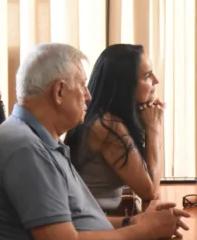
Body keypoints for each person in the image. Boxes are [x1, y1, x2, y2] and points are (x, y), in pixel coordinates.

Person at [0, 43, 189, 240]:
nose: (88, 96)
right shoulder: (24, 149)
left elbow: (72, 221)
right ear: (59, 91)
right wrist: (144, 231)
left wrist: (132, 222)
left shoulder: (38, 140)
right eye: (83, 85)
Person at [65, 44, 164, 211]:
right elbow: (150, 191)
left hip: (103, 217)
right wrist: (154, 128)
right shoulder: (106, 126)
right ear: (125, 84)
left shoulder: (105, 117)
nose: (156, 80)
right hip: (95, 221)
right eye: (147, 76)